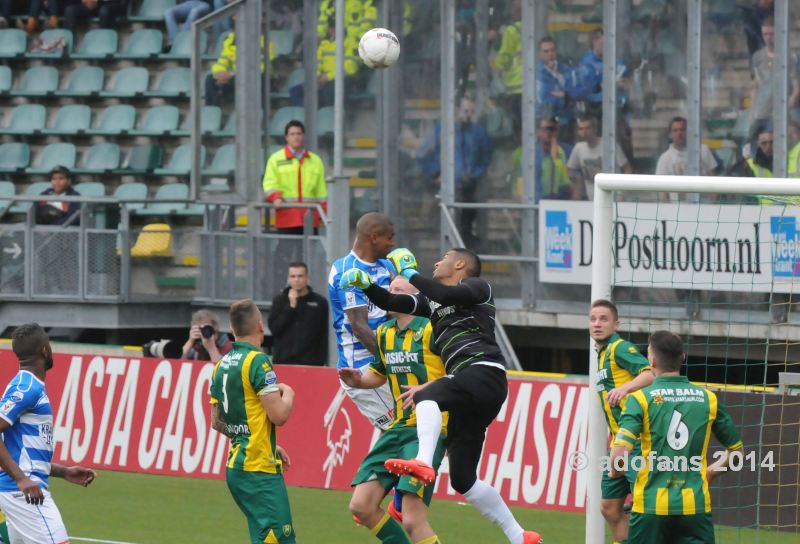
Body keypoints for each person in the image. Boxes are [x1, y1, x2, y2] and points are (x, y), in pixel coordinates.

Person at [339, 247, 542, 544]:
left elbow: (447, 296)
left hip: (483, 371)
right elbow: (391, 301)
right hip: (470, 392)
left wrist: (410, 272)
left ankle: (422, 459)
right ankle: (519, 535)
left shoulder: (477, 287)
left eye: (443, 258)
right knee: (463, 479)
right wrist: (366, 284)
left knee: (426, 395)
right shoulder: (431, 301)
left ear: (460, 264)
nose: (436, 261)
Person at [610, 330, 743, 544]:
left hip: (650, 507)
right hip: (695, 508)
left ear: (651, 360)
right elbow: (737, 455)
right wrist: (710, 473)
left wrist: (616, 471)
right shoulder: (709, 399)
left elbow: (618, 457)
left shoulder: (640, 399)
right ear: (682, 357)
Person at [341, 277, 447, 544]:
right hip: (396, 428)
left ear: (413, 299)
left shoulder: (432, 330)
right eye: (389, 290)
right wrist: (359, 381)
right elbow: (378, 374)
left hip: (425, 431)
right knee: (361, 506)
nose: (390, 294)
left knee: (412, 520)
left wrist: (426, 387)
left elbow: (457, 375)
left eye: (398, 290)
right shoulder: (385, 332)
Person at [209, 299, 297, 544]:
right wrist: (289, 394)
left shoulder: (221, 365)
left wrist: (263, 442)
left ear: (232, 329)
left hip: (237, 468)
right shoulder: (258, 362)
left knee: (265, 537)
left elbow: (217, 422)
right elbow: (279, 415)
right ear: (260, 325)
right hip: (259, 471)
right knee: (282, 539)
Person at [0, 323, 96, 543]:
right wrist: (22, 479)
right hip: (24, 494)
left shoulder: (27, 387)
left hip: (21, 491)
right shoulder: (27, 389)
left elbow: (21, 450)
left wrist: (63, 472)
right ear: (44, 350)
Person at [589, 299, 654, 544]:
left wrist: (625, 388)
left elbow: (649, 373)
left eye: (603, 319)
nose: (597, 324)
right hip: (619, 445)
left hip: (636, 442)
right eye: (593, 319)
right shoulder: (603, 353)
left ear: (616, 324)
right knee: (609, 506)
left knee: (643, 506)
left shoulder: (620, 348)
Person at [328, 212, 396, 430]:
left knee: (412, 430)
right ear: (374, 237)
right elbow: (359, 327)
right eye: (389, 237)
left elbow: (395, 311)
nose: (392, 243)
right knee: (399, 432)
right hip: (362, 367)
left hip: (388, 360)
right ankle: (370, 467)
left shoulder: (387, 267)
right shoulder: (346, 271)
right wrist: (394, 362)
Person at [416, 97, 494, 248]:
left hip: (468, 185)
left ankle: (464, 242)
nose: (468, 115)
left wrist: (475, 173)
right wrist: (436, 173)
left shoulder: (478, 133)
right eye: (465, 110)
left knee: (468, 214)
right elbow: (422, 154)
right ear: (457, 110)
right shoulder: (441, 129)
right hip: (444, 185)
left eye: (472, 111)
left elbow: (487, 155)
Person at [262, 120, 327, 235]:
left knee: (310, 252)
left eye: (299, 133)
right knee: (285, 252)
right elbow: (270, 183)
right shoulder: (276, 159)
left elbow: (321, 190)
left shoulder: (315, 160)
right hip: (287, 217)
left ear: (303, 136)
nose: (296, 137)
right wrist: (276, 197)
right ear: (287, 137)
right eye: (292, 134)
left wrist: (324, 210)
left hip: (310, 218)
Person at [267, 261, 329, 366]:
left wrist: (321, 361)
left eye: (300, 276)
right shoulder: (279, 300)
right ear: (289, 278)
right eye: (293, 276)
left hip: (311, 364)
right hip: (283, 362)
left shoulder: (320, 302)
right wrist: (291, 307)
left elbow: (324, 335)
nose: (296, 280)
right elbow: (275, 329)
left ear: (307, 277)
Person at [749, 17, 799, 134]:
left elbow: (797, 87)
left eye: (771, 34)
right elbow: (755, 85)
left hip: (780, 111)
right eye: (765, 34)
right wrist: (752, 110)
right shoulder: (757, 57)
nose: (768, 38)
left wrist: (787, 106)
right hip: (761, 112)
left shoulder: (790, 57)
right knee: (751, 143)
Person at [567, 116, 632, 200]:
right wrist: (578, 185)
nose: (584, 132)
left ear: (595, 129)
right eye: (581, 129)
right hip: (591, 200)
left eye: (587, 128)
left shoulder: (609, 144)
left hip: (614, 199)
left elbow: (627, 168)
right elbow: (569, 170)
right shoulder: (579, 148)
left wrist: (622, 193)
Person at [204, 31, 275, 108]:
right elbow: (222, 62)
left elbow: (259, 67)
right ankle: (212, 112)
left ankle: (258, 111)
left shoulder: (263, 42)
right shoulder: (231, 40)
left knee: (256, 78)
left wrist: (231, 74)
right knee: (210, 79)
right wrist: (220, 73)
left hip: (258, 78)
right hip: (236, 77)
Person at [655, 117, 718, 202]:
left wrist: (713, 206)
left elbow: (714, 182)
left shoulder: (703, 151)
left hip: (704, 207)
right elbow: (663, 193)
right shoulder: (664, 159)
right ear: (670, 134)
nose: (679, 133)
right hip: (676, 210)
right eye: (675, 130)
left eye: (682, 129)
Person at [536, 36, 578, 131]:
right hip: (547, 123)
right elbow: (544, 99)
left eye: (552, 50)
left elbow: (576, 91)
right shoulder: (538, 73)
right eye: (546, 51)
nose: (550, 54)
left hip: (568, 121)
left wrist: (566, 95)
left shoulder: (566, 69)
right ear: (540, 54)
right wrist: (564, 97)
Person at [534, 116, 573, 202]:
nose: (549, 133)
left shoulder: (562, 152)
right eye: (545, 129)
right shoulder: (532, 153)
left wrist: (554, 157)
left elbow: (565, 180)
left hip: (557, 201)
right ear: (539, 132)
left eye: (552, 129)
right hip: (536, 202)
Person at [63, 0, 129, 31]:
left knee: (104, 11)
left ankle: (103, 43)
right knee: (70, 10)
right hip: (95, 5)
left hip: (114, 3)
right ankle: (67, 44)